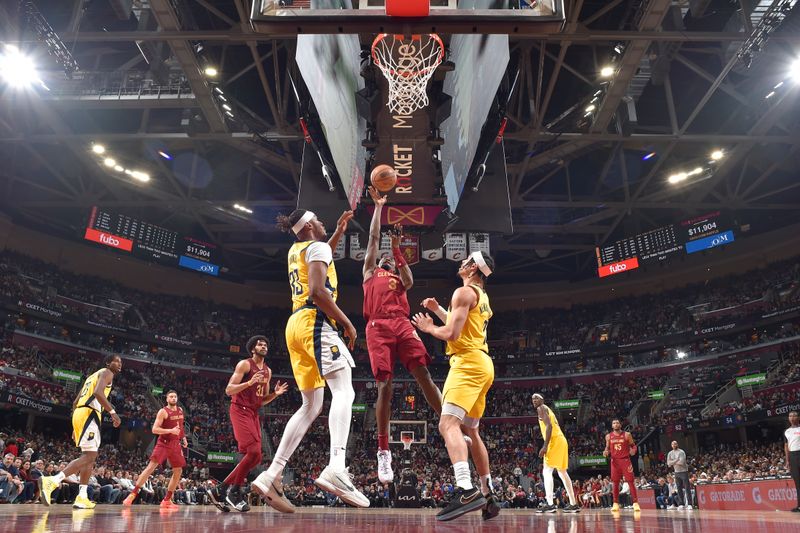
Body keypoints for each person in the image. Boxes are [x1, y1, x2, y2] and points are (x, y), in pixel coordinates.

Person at [253, 209, 370, 510]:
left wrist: (339, 232)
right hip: (316, 321)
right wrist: (347, 322)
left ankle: (271, 474)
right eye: (317, 219)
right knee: (344, 390)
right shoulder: (314, 247)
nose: (322, 220)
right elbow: (318, 291)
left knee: (311, 405)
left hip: (294, 326)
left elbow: (321, 256)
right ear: (307, 226)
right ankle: (336, 467)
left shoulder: (297, 249)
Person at [412, 251, 500, 521]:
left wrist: (428, 327)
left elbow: (451, 333)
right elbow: (460, 321)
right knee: (471, 431)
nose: (461, 263)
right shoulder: (480, 296)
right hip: (483, 364)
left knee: (447, 424)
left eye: (466, 261)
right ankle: (488, 493)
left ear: (473, 267)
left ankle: (465, 489)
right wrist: (438, 310)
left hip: (467, 364)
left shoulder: (463, 292)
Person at [362, 187, 442, 482]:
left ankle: (448, 424)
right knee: (385, 387)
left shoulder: (399, 275)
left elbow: (410, 279)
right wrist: (379, 208)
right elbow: (372, 239)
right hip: (378, 326)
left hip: (402, 323)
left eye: (390, 259)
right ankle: (384, 452)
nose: (386, 259)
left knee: (424, 374)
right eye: (385, 257)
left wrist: (397, 249)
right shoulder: (370, 272)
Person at [208, 336, 288, 512]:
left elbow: (263, 399)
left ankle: (220, 489)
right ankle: (234, 492)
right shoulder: (244, 364)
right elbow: (229, 390)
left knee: (257, 457)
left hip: (253, 413)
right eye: (260, 344)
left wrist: (275, 394)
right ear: (253, 348)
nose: (264, 346)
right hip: (239, 409)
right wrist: (249, 382)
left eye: (266, 344)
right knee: (253, 452)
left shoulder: (268, 371)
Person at [39, 354, 122, 509]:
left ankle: (82, 496)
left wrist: (75, 426)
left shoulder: (92, 376)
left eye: (120, 362)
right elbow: (98, 393)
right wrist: (112, 412)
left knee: (89, 457)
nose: (119, 364)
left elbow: (75, 402)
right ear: (107, 363)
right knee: (90, 455)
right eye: (116, 361)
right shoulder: (106, 372)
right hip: (89, 414)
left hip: (80, 414)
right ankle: (53, 481)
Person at [123, 390, 189, 508]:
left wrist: (183, 437)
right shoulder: (163, 412)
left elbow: (180, 426)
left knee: (178, 471)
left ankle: (167, 500)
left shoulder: (180, 410)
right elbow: (154, 429)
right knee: (150, 467)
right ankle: (133, 494)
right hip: (163, 443)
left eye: (175, 396)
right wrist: (170, 431)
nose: (173, 398)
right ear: (167, 399)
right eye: (171, 397)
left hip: (175, 444)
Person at [531, 394, 580, 513]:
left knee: (547, 471)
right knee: (562, 472)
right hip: (561, 440)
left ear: (542, 400)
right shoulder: (548, 409)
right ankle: (573, 504)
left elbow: (549, 426)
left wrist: (545, 445)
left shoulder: (541, 408)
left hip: (554, 442)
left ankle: (550, 504)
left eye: (536, 398)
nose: (534, 401)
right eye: (532, 399)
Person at [603, 419, 640, 512]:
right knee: (615, 482)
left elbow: (633, 446)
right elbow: (607, 448)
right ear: (612, 426)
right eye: (614, 423)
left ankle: (635, 503)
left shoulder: (627, 435)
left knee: (630, 481)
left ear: (620, 424)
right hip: (614, 461)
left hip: (625, 460)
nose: (616, 424)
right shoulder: (608, 436)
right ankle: (615, 503)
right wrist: (605, 452)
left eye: (617, 423)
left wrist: (633, 450)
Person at [667, 440, 692, 510]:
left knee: (687, 488)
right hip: (676, 472)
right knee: (679, 488)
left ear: (677, 444)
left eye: (675, 444)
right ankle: (681, 504)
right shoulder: (670, 453)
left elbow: (682, 462)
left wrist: (673, 462)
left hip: (684, 471)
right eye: (673, 444)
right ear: (671, 445)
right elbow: (668, 464)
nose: (674, 445)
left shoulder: (681, 452)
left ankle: (690, 504)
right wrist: (676, 460)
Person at [784, 410, 800, 512]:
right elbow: (786, 446)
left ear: (798, 417)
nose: (792, 417)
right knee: (797, 482)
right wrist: (787, 460)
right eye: (790, 416)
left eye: (794, 415)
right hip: (793, 457)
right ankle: (799, 505)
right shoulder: (787, 431)